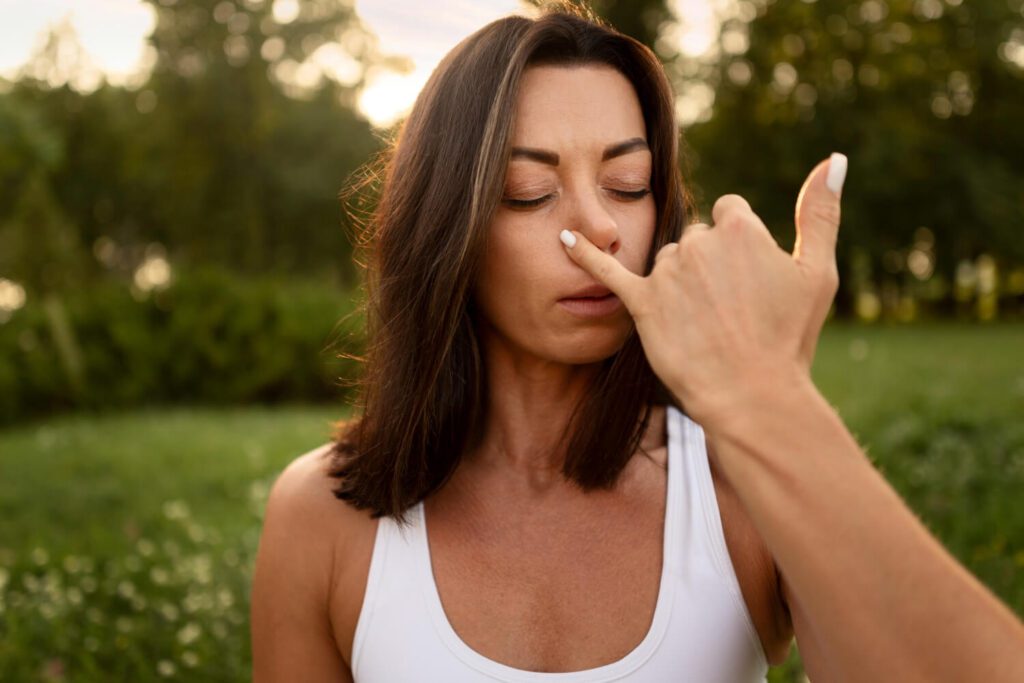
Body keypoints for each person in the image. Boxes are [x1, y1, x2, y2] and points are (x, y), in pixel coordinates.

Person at [250, 4, 1024, 682]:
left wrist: (770, 395)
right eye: (529, 191)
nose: (601, 226)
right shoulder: (322, 516)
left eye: (628, 183)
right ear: (445, 226)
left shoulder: (738, 491)